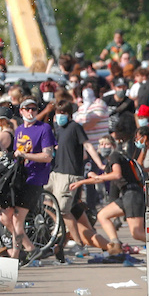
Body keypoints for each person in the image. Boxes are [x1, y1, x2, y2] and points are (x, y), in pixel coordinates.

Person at [49, 100, 105, 257]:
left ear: (69, 115)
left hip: (69, 174)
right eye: (58, 113)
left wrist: (99, 164)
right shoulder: (59, 129)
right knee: (40, 196)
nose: (60, 116)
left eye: (63, 114)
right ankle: (60, 232)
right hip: (56, 173)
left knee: (64, 209)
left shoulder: (75, 127)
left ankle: (79, 245)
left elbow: (87, 146)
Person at [69, 143, 146, 255]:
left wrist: (97, 176)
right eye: (100, 144)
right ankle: (115, 245)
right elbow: (100, 179)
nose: (103, 146)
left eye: (106, 143)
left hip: (132, 194)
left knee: (137, 233)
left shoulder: (115, 155)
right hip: (127, 194)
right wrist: (81, 182)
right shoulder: (113, 161)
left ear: (113, 145)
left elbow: (116, 175)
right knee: (102, 215)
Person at [6, 99, 56, 263]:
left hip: (35, 179)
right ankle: (31, 249)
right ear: (21, 111)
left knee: (17, 219)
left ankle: (15, 256)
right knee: (4, 214)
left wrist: (25, 155)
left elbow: (47, 156)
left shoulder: (44, 128)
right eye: (27, 109)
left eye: (34, 109)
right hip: (19, 177)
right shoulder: (19, 130)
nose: (30, 112)